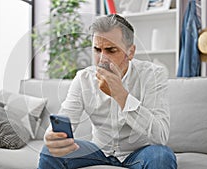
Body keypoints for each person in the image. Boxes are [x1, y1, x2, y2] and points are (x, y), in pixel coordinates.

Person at [38, 14, 177, 169]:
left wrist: (121, 95)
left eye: (111, 50)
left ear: (130, 52)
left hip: (139, 152)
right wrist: (52, 138)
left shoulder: (153, 75)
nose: (102, 59)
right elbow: (66, 118)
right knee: (49, 152)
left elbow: (160, 136)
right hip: (98, 151)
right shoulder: (84, 78)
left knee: (161, 156)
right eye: (97, 50)